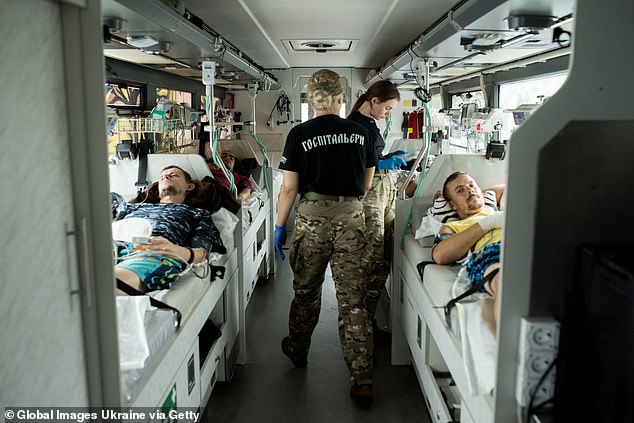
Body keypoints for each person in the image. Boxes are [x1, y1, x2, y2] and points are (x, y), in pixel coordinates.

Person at [274, 69, 377, 405]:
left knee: (306, 291)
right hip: (351, 217)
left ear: (310, 98)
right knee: (353, 300)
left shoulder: (299, 134)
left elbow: (289, 188)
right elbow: (368, 184)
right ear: (341, 98)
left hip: (312, 219)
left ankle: (298, 349)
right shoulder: (360, 132)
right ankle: (362, 378)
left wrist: (278, 226)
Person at [114, 165, 226, 293]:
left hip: (152, 252)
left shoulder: (197, 213)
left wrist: (171, 249)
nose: (165, 177)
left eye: (173, 175)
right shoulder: (134, 207)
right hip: (114, 243)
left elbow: (202, 254)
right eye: (161, 177)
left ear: (189, 186)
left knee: (110, 282)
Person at [347, 80, 404, 327]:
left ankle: (369, 315)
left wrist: (388, 158)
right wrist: (381, 164)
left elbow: (372, 155)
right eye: (388, 108)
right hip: (370, 195)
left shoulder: (369, 124)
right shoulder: (353, 126)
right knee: (372, 257)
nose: (388, 113)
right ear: (374, 101)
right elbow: (355, 164)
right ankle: (362, 319)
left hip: (383, 191)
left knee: (385, 250)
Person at [431, 171, 504, 323]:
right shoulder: (453, 226)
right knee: (504, 282)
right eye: (460, 190)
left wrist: (478, 194)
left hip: (525, 242)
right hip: (493, 253)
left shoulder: (497, 211)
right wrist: (490, 222)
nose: (469, 190)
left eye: (472, 185)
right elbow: (440, 254)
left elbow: (505, 188)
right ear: (452, 205)